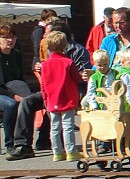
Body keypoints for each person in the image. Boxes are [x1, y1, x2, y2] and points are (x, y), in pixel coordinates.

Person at [6, 21, 90, 161]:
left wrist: (84, 75)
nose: (44, 35)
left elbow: (84, 75)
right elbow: (43, 72)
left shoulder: (79, 50)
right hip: (56, 93)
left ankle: (50, 143)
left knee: (54, 115)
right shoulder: (48, 50)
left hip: (71, 92)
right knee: (27, 102)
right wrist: (39, 68)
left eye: (47, 33)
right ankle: (23, 145)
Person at [39, 30, 83, 162]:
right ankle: (70, 151)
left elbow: (43, 84)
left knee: (55, 127)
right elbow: (77, 78)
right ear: (64, 45)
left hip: (52, 99)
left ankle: (57, 152)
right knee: (68, 126)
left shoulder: (44, 64)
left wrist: (45, 98)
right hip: (67, 98)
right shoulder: (68, 62)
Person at [0, 24, 27, 155]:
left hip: (13, 89)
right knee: (11, 105)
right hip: (2, 91)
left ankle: (28, 143)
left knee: (33, 101)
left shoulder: (16, 55)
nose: (10, 40)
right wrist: (13, 96)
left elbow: (21, 78)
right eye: (5, 37)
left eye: (12, 37)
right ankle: (9, 144)